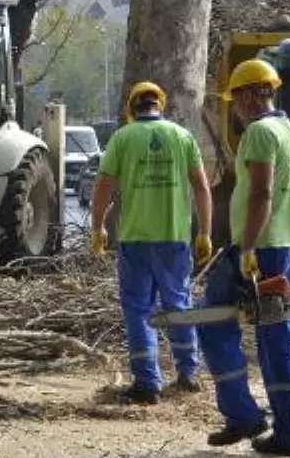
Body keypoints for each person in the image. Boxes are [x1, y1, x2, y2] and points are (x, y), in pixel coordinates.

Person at [197, 58, 290, 458]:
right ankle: (287, 429)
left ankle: (248, 416)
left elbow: (262, 193)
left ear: (248, 94)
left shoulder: (260, 133)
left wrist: (246, 249)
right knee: (276, 337)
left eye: (237, 99)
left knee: (214, 321)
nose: (236, 108)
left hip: (263, 248)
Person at [89, 81, 214, 404]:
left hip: (136, 239)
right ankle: (188, 374)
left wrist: (98, 227)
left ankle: (148, 383)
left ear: (132, 108)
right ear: (160, 105)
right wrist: (204, 232)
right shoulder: (182, 137)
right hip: (174, 239)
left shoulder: (123, 138)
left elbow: (102, 188)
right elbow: (202, 187)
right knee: (180, 306)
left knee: (138, 311)